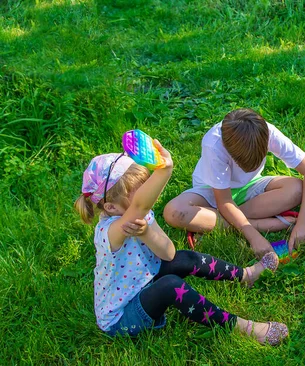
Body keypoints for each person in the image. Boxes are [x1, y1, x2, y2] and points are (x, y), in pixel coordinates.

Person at [74, 143, 288, 345]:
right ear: (111, 207)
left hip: (142, 282)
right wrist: (164, 171)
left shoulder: (142, 217)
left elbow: (168, 254)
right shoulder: (108, 232)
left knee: (185, 258)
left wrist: (148, 232)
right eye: (141, 192)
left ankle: (246, 275)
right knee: (170, 286)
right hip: (121, 318)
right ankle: (243, 328)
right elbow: (140, 206)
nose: (149, 196)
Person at [164, 108, 305, 257]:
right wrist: (253, 235)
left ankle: (214, 222)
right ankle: (258, 224)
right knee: (174, 211)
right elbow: (224, 201)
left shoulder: (268, 132)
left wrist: (303, 224)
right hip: (211, 192)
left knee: (296, 188)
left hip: (250, 187)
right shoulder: (213, 144)